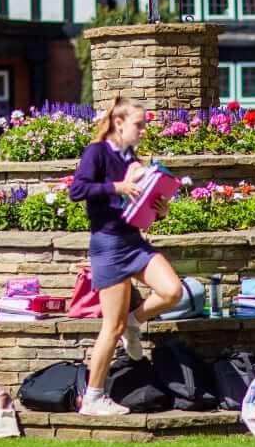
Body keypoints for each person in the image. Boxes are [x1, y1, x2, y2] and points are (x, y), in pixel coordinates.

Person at [69, 97, 183, 416]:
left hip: (133, 240)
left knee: (173, 291)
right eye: (139, 124)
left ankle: (136, 321)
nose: (144, 130)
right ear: (119, 123)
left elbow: (135, 204)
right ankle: (93, 397)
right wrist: (117, 187)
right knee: (112, 327)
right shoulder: (97, 153)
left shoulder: (130, 155)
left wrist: (159, 209)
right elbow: (77, 190)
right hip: (108, 246)